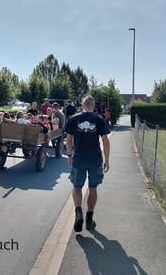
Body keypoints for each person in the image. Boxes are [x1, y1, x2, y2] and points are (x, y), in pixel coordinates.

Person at [65, 95, 110, 232]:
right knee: (93, 188)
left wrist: (69, 155)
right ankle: (89, 218)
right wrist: (107, 160)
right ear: (93, 106)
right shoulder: (99, 119)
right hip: (95, 159)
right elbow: (105, 141)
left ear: (82, 105)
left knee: (77, 186)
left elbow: (68, 140)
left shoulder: (73, 119)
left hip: (79, 158)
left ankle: (78, 213)